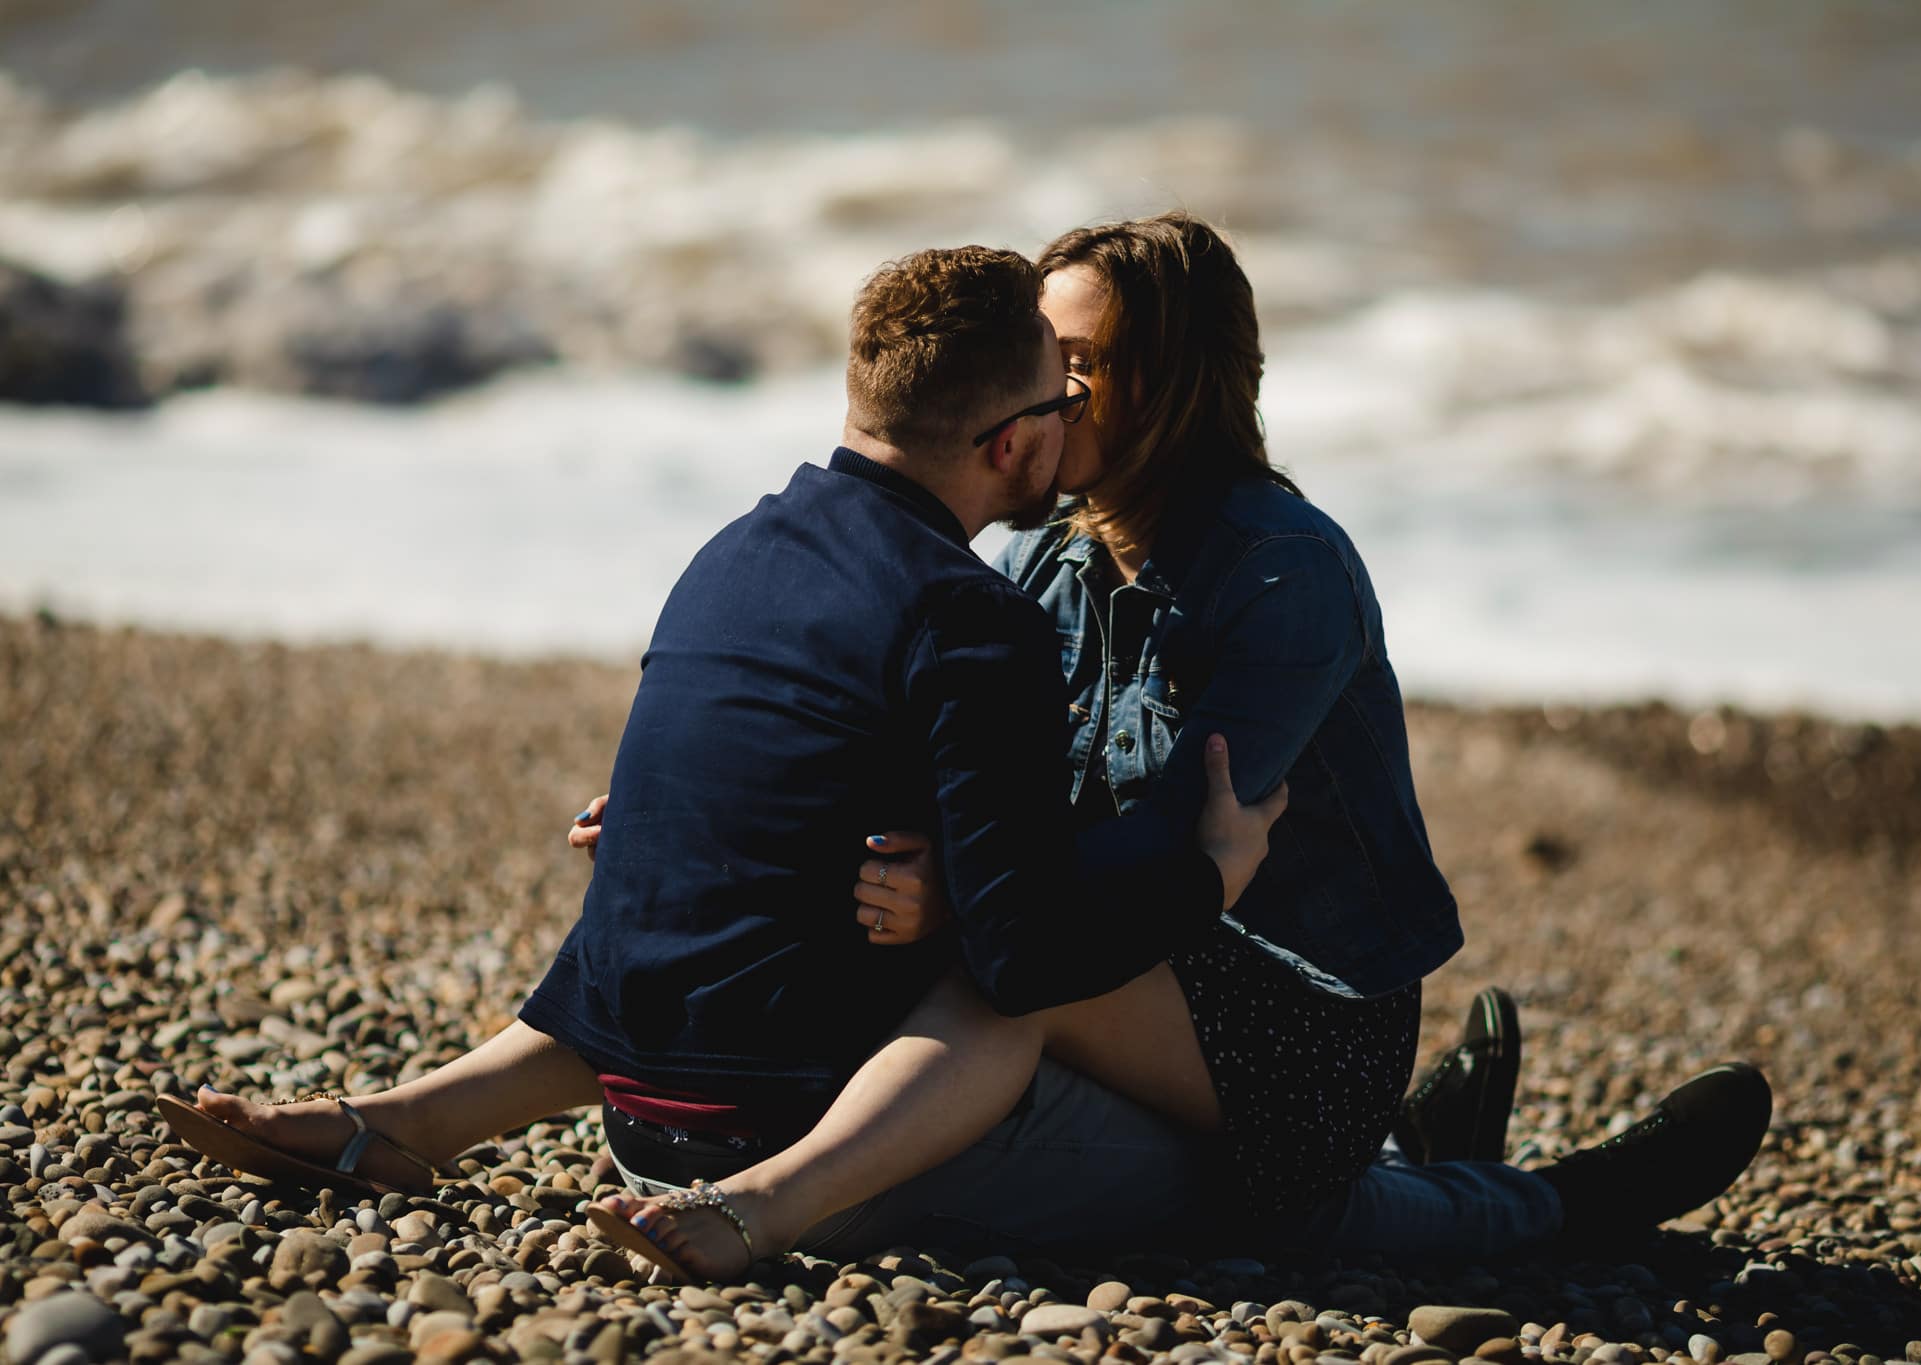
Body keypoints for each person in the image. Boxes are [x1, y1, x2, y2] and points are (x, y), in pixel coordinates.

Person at [575, 214, 1773, 1279]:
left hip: (1291, 1008)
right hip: (1104, 950)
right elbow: (933, 764)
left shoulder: (1280, 570)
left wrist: (960, 894)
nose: (1049, 389)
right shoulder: (1043, 553)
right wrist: (707, 817)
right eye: (1046, 359)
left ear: (1177, 382)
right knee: (957, 954)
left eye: (1080, 365)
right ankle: (1432, 1148)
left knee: (1015, 989)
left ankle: (1555, 1207)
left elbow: (1171, 853)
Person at [155, 243, 1289, 1251]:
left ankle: (400, 1122)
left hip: (633, 1115)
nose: (1073, 420)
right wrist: (1206, 878)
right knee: (1236, 1176)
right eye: (1059, 401)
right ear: (1006, 445)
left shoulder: (733, 553)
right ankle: (1460, 1205)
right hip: (784, 1138)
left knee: (734, 907)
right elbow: (1025, 957)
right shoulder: (972, 617)